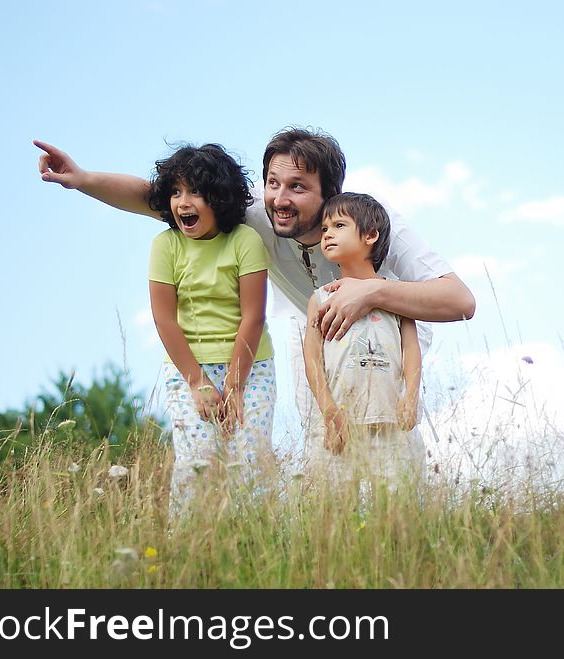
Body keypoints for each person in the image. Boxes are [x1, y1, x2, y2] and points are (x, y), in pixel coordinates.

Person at [35, 127, 475, 478]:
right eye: (273, 183)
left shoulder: (369, 221)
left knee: (388, 450)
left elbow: (460, 300)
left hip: (388, 337)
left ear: (330, 192)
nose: (280, 200)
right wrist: (81, 179)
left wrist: (373, 291)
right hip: (318, 335)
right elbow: (156, 199)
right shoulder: (255, 219)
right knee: (326, 445)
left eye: (298, 187)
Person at [146, 143, 275, 518]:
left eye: (196, 192)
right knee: (197, 463)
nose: (183, 202)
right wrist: (198, 382)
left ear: (218, 197)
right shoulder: (165, 246)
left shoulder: (244, 241)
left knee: (249, 461)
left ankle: (254, 546)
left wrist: (234, 385)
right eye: (175, 191)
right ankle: (188, 548)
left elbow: (253, 317)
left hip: (251, 368)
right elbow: (165, 320)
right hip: (189, 369)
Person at [303, 193, 421, 491]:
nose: (327, 233)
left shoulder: (396, 294)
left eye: (339, 225)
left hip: (390, 422)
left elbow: (411, 350)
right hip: (340, 422)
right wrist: (328, 410)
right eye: (325, 227)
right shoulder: (320, 298)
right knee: (335, 510)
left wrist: (410, 397)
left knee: (398, 505)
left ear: (370, 235)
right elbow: (312, 357)